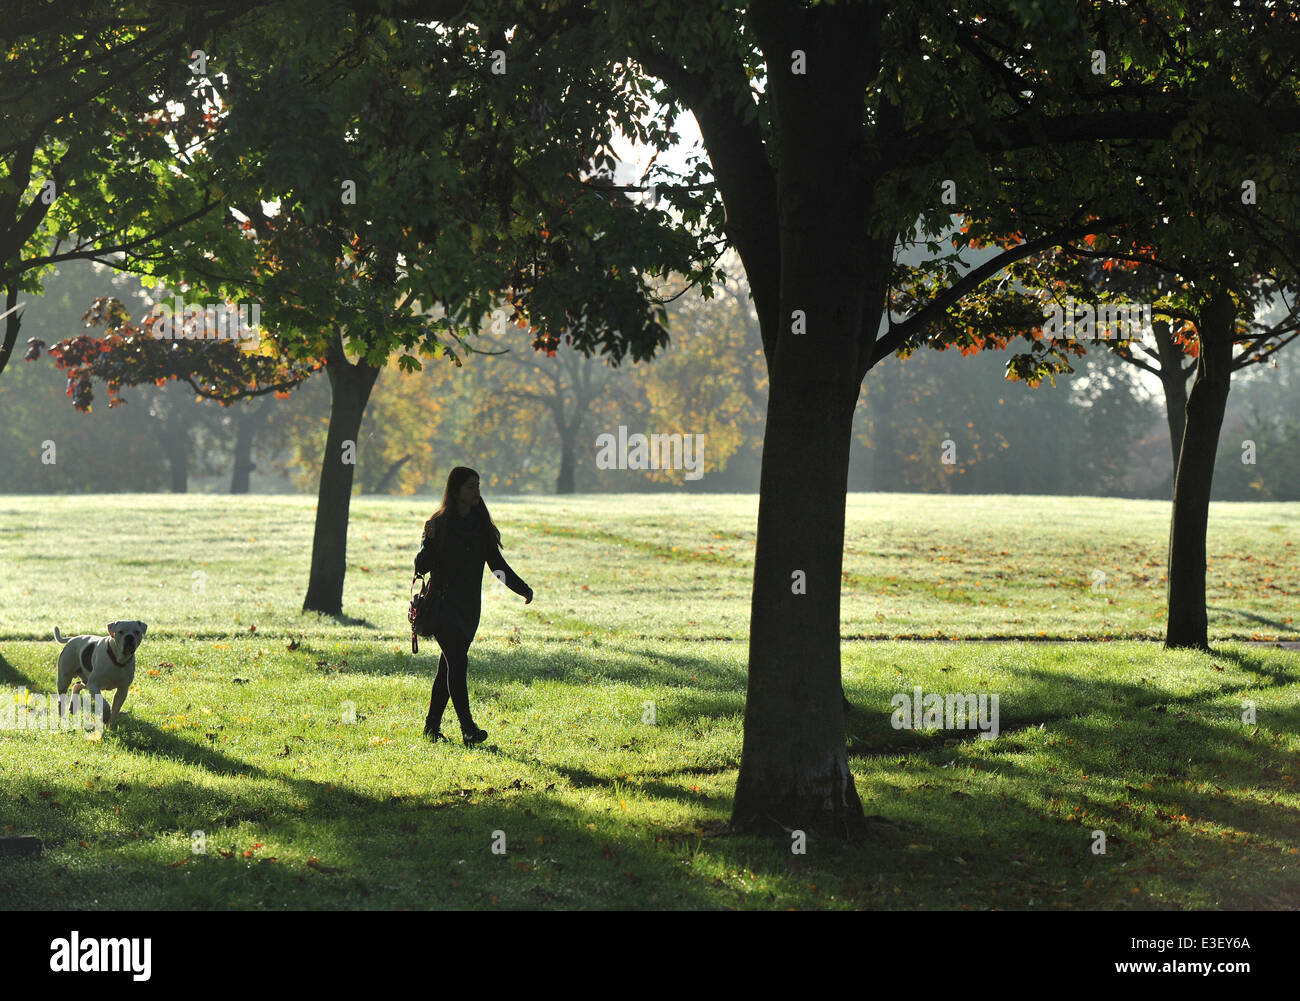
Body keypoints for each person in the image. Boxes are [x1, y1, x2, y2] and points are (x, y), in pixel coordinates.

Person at [415, 466, 533, 745]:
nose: (476, 490)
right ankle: (468, 728)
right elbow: (422, 566)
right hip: (442, 606)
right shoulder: (439, 524)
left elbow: (497, 566)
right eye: (470, 486)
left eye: (478, 485)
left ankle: (431, 728)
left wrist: (522, 588)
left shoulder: (480, 527)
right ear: (455, 491)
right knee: (458, 661)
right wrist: (427, 542)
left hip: (468, 610)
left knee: (448, 667)